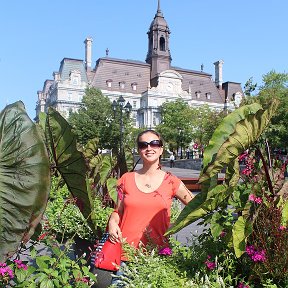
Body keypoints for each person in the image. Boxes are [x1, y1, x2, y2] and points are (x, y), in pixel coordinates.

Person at [108, 129, 194, 285]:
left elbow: (195, 207)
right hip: (126, 257)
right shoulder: (126, 179)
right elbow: (117, 212)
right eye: (143, 145)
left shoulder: (171, 181)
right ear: (139, 150)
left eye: (154, 143)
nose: (149, 148)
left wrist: (176, 225)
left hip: (157, 257)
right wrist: (112, 223)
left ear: (161, 149)